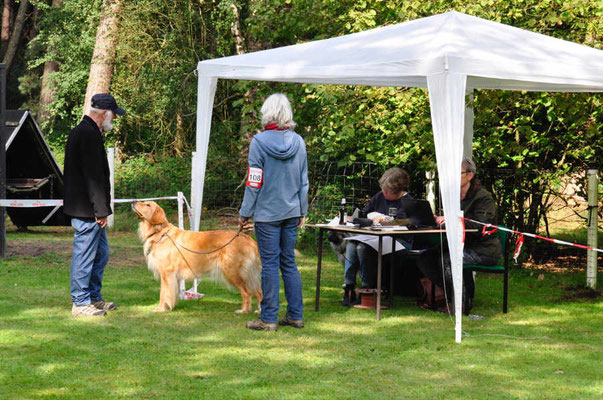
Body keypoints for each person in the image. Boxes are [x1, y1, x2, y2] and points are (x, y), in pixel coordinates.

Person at [239, 93, 309, 331]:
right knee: (288, 262)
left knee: (269, 265)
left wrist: (245, 212)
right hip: (291, 211)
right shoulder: (299, 141)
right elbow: (304, 181)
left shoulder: (259, 142)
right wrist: (302, 211)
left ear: (266, 113)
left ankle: (268, 318)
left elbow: (254, 181)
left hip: (267, 214)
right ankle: (295, 316)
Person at [63, 93, 125, 317]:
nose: (114, 119)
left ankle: (93, 297)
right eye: (114, 115)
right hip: (88, 210)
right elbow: (93, 178)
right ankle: (80, 302)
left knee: (101, 255)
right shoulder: (87, 134)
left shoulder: (87, 132)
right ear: (105, 113)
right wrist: (101, 210)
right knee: (85, 255)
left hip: (89, 209)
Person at [416, 158, 501, 315]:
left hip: (483, 249)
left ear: (470, 175)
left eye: (458, 173)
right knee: (425, 258)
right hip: (460, 245)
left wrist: (452, 220)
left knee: (448, 260)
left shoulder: (483, 197)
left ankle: (461, 304)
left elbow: (481, 225)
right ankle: (454, 295)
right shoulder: (452, 196)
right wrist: (436, 220)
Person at [341, 167, 413, 306]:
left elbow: (404, 224)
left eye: (387, 191)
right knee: (351, 244)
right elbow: (364, 212)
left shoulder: (408, 202)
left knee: (363, 248)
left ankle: (367, 289)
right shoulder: (380, 196)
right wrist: (358, 218)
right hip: (374, 237)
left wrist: (384, 221)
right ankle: (349, 287)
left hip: (399, 241)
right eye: (383, 189)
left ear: (398, 192)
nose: (383, 193)